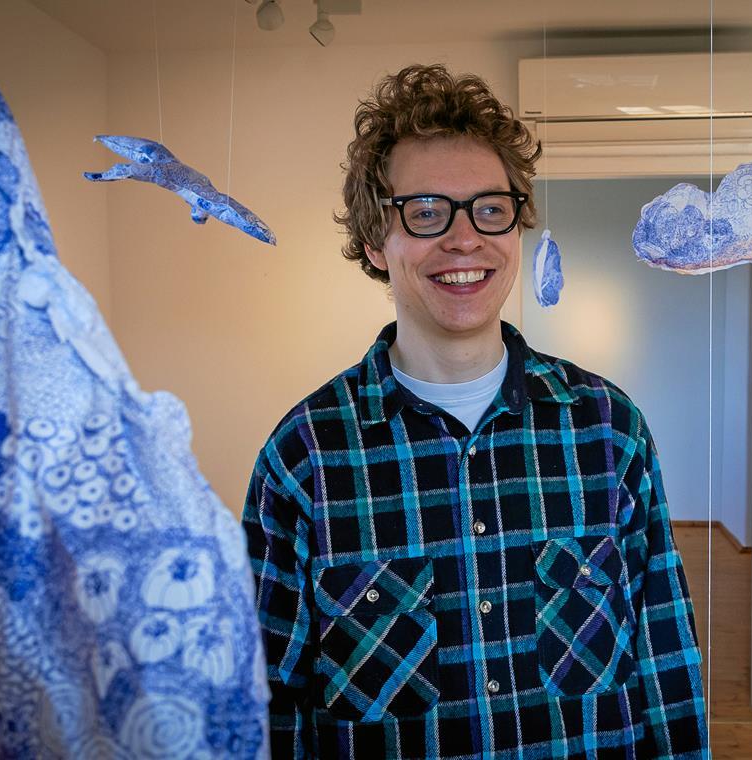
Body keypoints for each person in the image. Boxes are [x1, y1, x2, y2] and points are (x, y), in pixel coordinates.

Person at [242, 64, 708, 759]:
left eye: (491, 208)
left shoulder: (610, 430)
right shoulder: (303, 457)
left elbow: (664, 663)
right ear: (376, 240)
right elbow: (268, 706)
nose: (465, 239)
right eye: (426, 212)